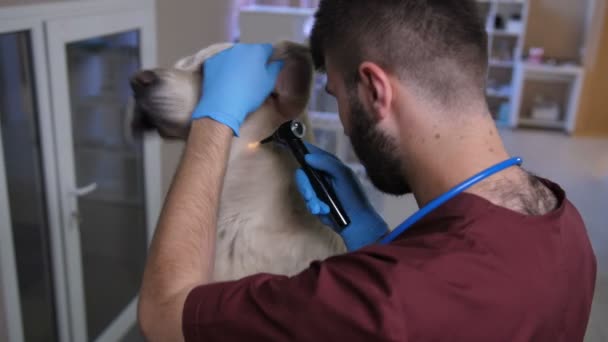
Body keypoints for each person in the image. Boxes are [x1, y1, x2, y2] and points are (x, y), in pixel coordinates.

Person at [138, 1, 597, 341]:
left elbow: (163, 313)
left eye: (336, 96)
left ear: (376, 90)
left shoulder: (375, 301)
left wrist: (215, 119)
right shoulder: (563, 221)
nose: (340, 117)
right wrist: (376, 240)